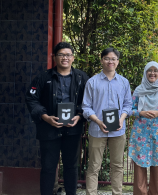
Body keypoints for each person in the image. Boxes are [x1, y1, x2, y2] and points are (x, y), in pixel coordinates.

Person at [26, 42, 89, 195]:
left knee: (71, 166)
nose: (64, 58)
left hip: (72, 129)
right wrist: (45, 117)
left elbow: (89, 101)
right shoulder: (43, 77)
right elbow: (31, 98)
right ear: (54, 57)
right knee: (48, 167)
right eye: (61, 55)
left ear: (73, 58)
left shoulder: (82, 78)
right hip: (49, 129)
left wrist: (79, 116)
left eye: (68, 55)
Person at [82, 48, 133, 195]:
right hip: (97, 130)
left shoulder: (124, 82)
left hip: (118, 130)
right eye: (107, 58)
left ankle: (117, 193)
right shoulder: (92, 82)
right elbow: (86, 107)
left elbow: (128, 105)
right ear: (101, 60)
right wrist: (98, 121)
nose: (110, 61)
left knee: (117, 165)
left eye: (113, 59)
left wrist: (122, 119)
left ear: (117, 61)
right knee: (94, 166)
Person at [128, 61, 158, 195]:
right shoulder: (139, 90)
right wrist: (140, 113)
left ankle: (155, 193)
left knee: (157, 164)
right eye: (150, 70)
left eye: (155, 70)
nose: (152, 73)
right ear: (145, 72)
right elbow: (131, 109)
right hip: (140, 131)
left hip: (157, 131)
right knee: (139, 164)